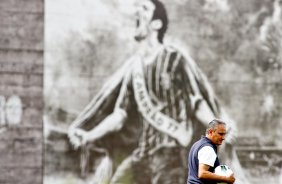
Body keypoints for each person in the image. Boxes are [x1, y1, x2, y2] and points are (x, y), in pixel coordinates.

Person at [68, 0, 248, 183]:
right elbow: (119, 115)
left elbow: (197, 102)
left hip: (171, 156)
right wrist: (89, 135)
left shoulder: (175, 59)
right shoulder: (134, 68)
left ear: (157, 24)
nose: (138, 9)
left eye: (145, 8)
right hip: (143, 155)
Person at [187, 119, 236, 184]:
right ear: (210, 132)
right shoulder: (208, 148)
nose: (223, 138)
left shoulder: (197, 144)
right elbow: (202, 173)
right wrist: (226, 179)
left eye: (224, 134)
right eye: (220, 134)